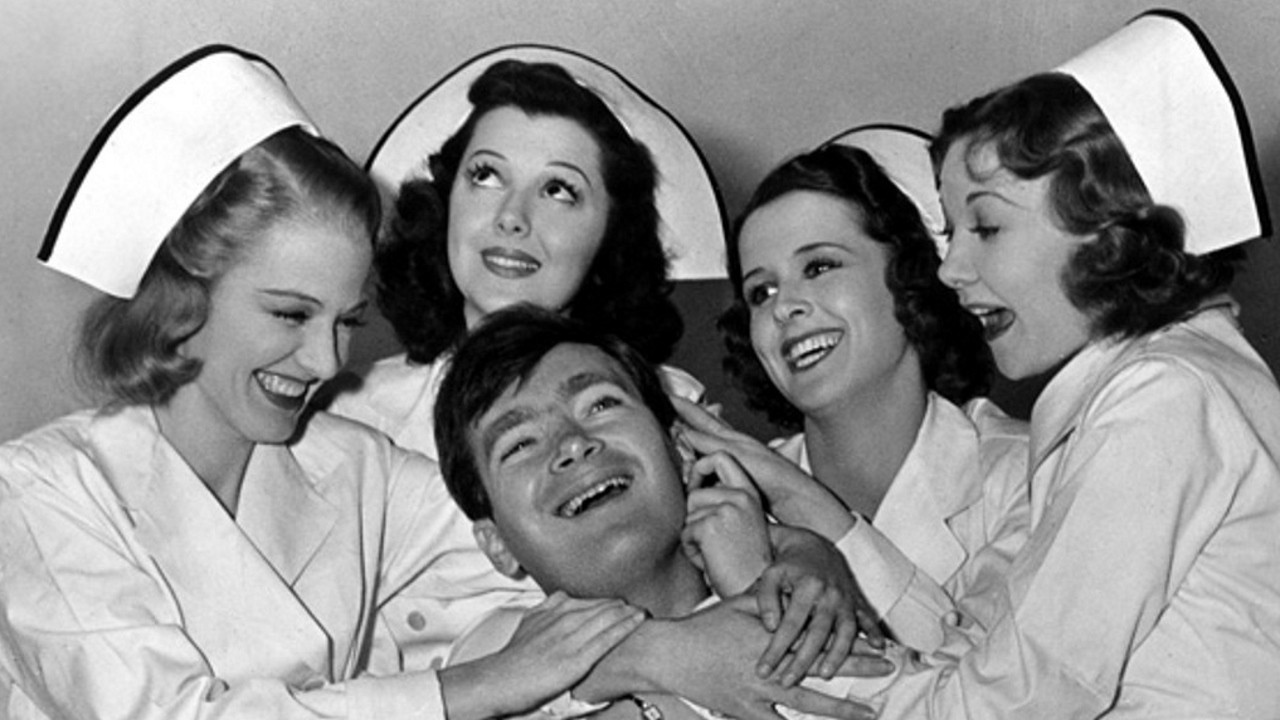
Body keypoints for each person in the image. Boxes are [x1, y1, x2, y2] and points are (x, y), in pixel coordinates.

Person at [0, 45, 657, 720]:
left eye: (347, 321)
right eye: (290, 313)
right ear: (180, 297)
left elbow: (555, 575)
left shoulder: (358, 469)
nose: (325, 361)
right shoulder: (36, 490)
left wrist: (730, 585)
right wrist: (465, 689)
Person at [819, 11, 1280, 717]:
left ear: (1109, 229)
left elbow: (1024, 695)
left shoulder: (1164, 397)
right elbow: (972, 641)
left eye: (987, 226)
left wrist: (767, 677)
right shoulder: (1126, 394)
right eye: (949, 232)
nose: (949, 269)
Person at [324, 46, 819, 675]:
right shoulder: (349, 421)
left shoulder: (674, 405)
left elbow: (746, 548)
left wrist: (809, 558)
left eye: (559, 190)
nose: (511, 218)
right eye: (485, 176)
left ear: (609, 234)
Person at [431, 305, 901, 720]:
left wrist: (767, 579)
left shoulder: (813, 596)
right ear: (495, 544)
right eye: (520, 445)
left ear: (681, 451)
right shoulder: (489, 674)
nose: (572, 444)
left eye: (600, 404)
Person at [676, 128, 1030, 653]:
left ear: (911, 280)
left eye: (818, 267)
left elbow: (988, 690)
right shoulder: (720, 504)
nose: (784, 307)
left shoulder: (1031, 473)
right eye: (760, 291)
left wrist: (803, 502)